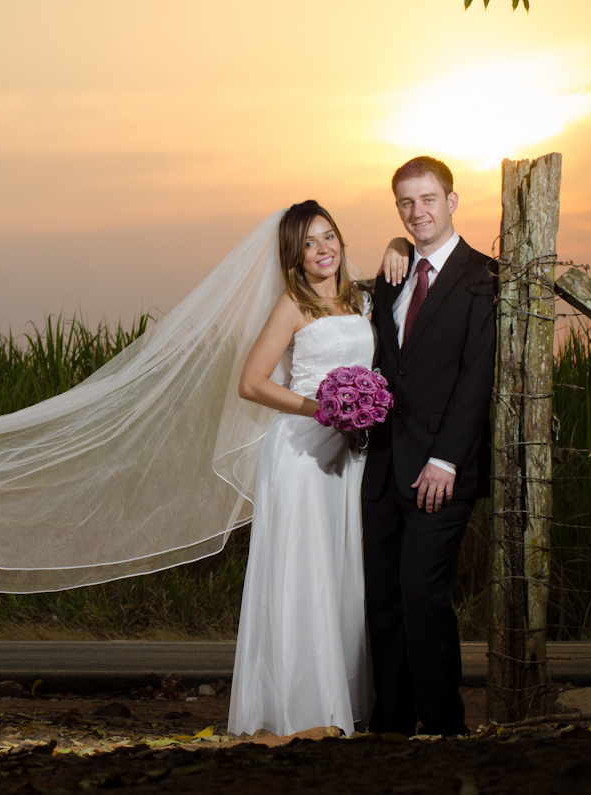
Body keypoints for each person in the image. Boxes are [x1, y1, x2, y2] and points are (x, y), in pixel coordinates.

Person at [227, 200, 374, 738]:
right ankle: (299, 708)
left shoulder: (360, 299)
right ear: (294, 255)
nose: (322, 250)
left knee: (340, 569)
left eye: (328, 236)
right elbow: (251, 382)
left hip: (348, 453)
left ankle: (341, 702)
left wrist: (397, 245)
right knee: (303, 573)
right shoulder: (293, 304)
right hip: (301, 453)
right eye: (308, 244)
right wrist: (321, 409)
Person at [363, 156, 496, 737]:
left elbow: (476, 376)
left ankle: (444, 725)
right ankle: (391, 724)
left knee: (423, 592)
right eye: (406, 203)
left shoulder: (484, 277)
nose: (417, 212)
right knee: (384, 597)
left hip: (440, 470)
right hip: (383, 466)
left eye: (428, 200)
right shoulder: (391, 275)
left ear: (452, 201)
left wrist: (447, 459)